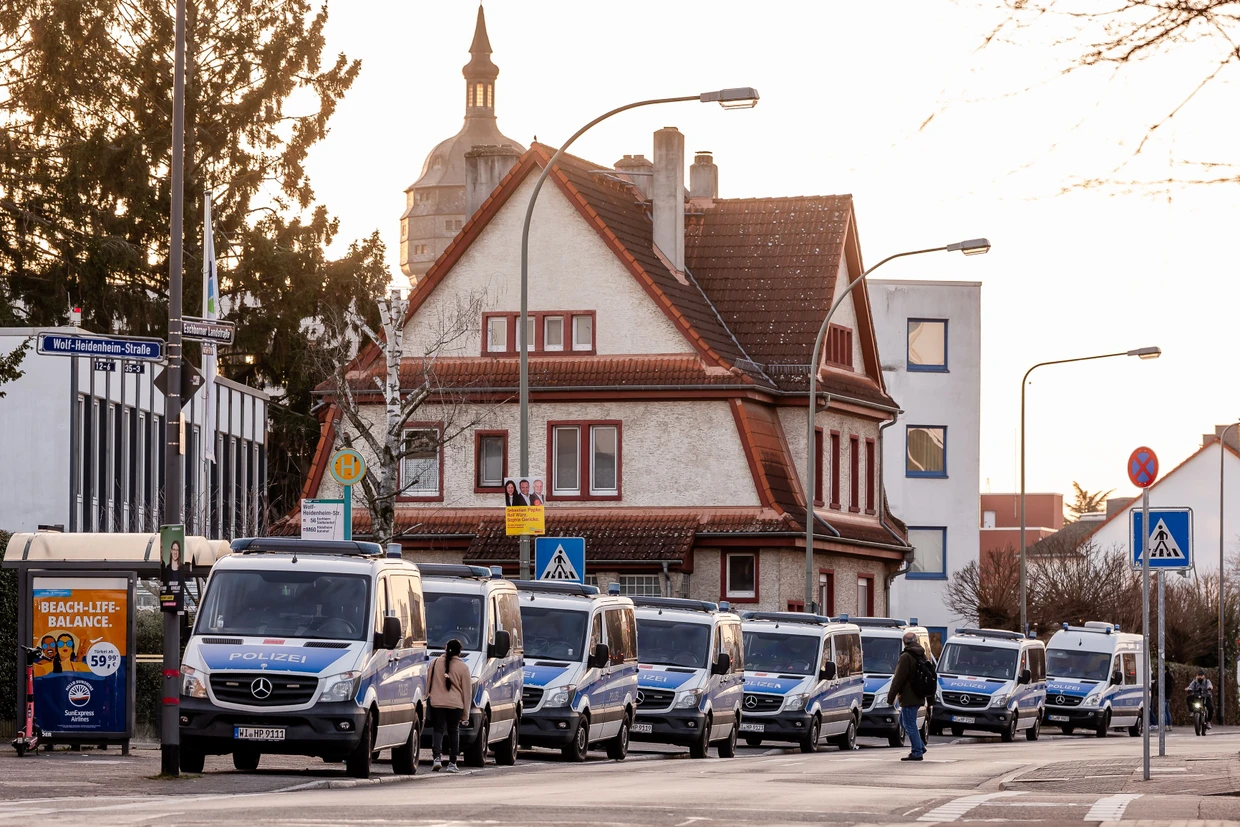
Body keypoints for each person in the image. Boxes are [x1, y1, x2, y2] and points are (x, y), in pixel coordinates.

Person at [428, 638, 472, 772]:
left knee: (438, 730)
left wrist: (427, 699)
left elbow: (428, 683)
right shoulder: (463, 667)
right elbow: (467, 692)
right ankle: (453, 763)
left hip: (437, 703)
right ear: (460, 652)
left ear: (445, 649)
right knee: (454, 731)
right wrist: (466, 714)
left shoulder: (434, 663)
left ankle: (436, 758)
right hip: (455, 705)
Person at [887, 630, 929, 762]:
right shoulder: (921, 655)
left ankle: (917, 752)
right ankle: (920, 746)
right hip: (918, 694)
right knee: (903, 722)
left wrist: (890, 697)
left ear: (904, 642)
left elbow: (898, 679)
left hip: (909, 696)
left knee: (909, 724)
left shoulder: (906, 657)